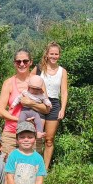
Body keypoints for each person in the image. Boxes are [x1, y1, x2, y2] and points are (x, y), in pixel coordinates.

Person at [0, 49, 51, 158]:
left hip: (32, 133)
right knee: (7, 164)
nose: (22, 64)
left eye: (25, 61)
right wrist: (20, 120)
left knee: (31, 165)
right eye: (18, 61)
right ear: (14, 63)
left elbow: (47, 109)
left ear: (31, 62)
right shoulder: (8, 83)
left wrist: (31, 103)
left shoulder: (38, 82)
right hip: (11, 133)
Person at [34, 41, 69, 169]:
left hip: (54, 104)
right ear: (47, 55)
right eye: (52, 54)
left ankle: (45, 168)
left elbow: (64, 91)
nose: (54, 56)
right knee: (37, 137)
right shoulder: (39, 68)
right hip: (39, 103)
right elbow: (28, 82)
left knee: (49, 140)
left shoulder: (62, 71)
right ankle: (34, 165)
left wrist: (62, 109)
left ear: (59, 55)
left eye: (56, 54)